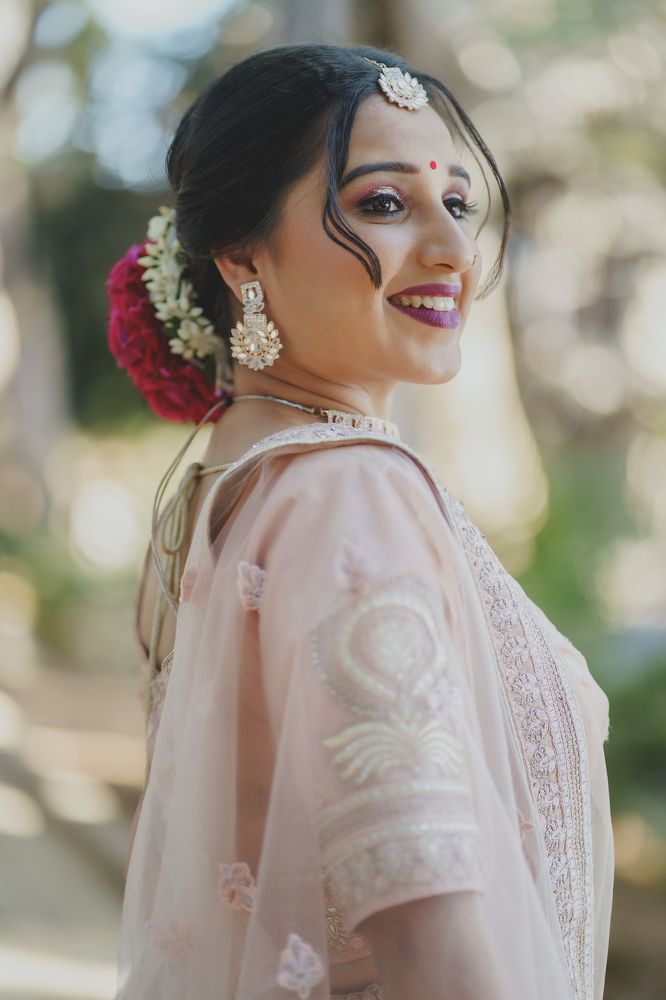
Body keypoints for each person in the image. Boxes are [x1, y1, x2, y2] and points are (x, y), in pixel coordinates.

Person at [109, 44, 614, 1000]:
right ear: (241, 254)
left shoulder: (223, 487)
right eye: (384, 204)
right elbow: (426, 930)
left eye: (458, 204)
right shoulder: (347, 488)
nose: (455, 251)